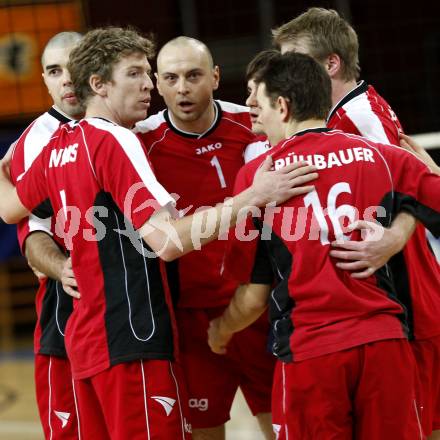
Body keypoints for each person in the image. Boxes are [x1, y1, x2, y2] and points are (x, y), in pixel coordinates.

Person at [0, 27, 316, 440]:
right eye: (136, 73)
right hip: (133, 336)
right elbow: (167, 242)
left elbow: (9, 210)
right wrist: (252, 197)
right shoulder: (118, 140)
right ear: (99, 84)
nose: (149, 84)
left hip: (87, 342)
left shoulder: (58, 143)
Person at [210, 50, 440, 439]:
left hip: (312, 353)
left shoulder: (259, 177)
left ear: (282, 106)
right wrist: (402, 228)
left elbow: (253, 298)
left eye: (261, 103)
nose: (257, 114)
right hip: (385, 345)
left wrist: (221, 330)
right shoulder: (384, 157)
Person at [272, 8, 440, 438]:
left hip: (406, 303)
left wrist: (394, 237)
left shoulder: (360, 115)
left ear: (330, 64)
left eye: (294, 60)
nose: (284, 72)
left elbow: (417, 188)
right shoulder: (334, 117)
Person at [135, 37, 278, 440]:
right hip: (191, 317)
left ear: (215, 77)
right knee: (204, 431)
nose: (182, 87)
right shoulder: (140, 141)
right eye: (172, 78)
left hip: (258, 305)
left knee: (284, 427)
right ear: (158, 85)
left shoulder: (253, 125)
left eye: (194, 75)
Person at [8, 31, 83, 439]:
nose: (66, 80)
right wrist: (61, 267)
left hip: (135, 305)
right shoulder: (34, 142)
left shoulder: (126, 122)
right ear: (44, 79)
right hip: (66, 310)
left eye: (73, 67)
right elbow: (28, 230)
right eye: (55, 71)